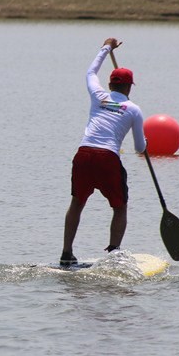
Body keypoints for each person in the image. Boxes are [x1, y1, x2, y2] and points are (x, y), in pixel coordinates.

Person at [60, 38, 147, 266]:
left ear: (110, 85)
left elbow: (90, 72)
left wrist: (106, 48)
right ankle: (114, 255)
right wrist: (145, 143)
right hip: (107, 158)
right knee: (119, 207)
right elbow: (139, 148)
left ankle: (66, 253)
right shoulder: (134, 110)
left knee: (77, 203)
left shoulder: (97, 95)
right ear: (129, 88)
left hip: (84, 153)